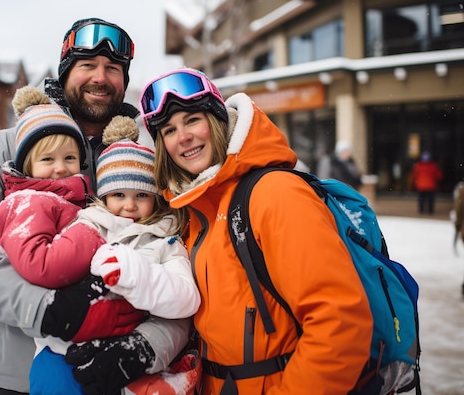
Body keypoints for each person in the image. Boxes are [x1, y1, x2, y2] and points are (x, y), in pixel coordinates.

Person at [0, 18, 190, 395]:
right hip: (22, 377)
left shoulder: (147, 157)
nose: (100, 77)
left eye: (113, 68)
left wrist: (150, 345)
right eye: (87, 65)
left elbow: (179, 260)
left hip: (132, 376)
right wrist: (46, 309)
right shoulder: (3, 150)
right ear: (65, 71)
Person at [136, 68, 373, 394]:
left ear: (217, 122)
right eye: (169, 130)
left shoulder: (275, 193)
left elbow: (340, 324)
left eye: (192, 120)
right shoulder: (194, 212)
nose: (183, 137)